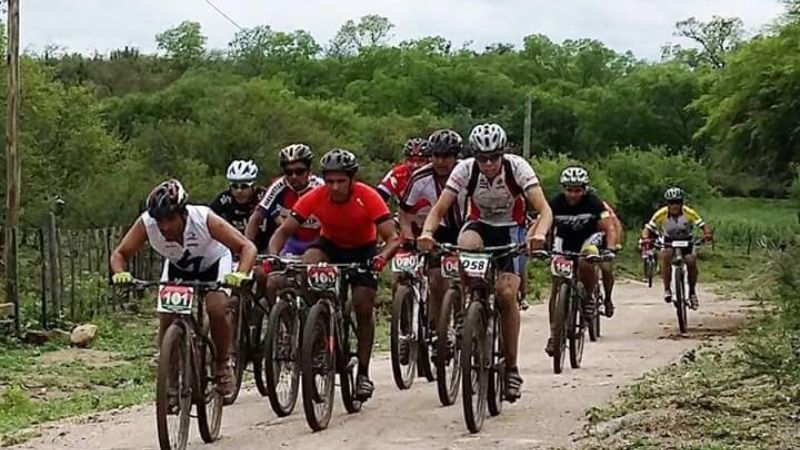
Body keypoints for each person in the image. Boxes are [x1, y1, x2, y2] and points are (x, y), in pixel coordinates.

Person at [418, 123, 553, 402]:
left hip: (511, 228)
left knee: (506, 294)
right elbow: (439, 209)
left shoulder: (518, 168)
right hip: (479, 224)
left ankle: (512, 368)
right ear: (475, 156)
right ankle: (468, 305)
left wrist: (539, 234)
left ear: (502, 154)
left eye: (494, 157)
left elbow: (544, 209)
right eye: (483, 158)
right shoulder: (465, 170)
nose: (489, 164)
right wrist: (427, 233)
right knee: (465, 245)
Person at [268, 149, 401, 401]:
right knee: (308, 263)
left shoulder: (368, 196)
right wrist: (274, 256)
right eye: (329, 181)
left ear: (352, 179)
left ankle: (363, 374)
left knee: (363, 305)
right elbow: (283, 232)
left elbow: (392, 238)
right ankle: (317, 327)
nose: (335, 187)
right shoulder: (316, 196)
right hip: (330, 246)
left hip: (363, 250)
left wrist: (381, 258)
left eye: (341, 181)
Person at [109, 180, 257, 395]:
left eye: (170, 219)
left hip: (214, 263)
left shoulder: (203, 218)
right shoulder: (147, 223)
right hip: (178, 266)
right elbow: (120, 254)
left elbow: (247, 247)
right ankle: (171, 380)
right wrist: (120, 272)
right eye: (160, 220)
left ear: (183, 214)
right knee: (166, 317)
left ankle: (223, 364)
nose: (165, 227)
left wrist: (240, 274)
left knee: (216, 308)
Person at [397, 129, 467, 360]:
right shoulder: (421, 177)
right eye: (436, 156)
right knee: (437, 279)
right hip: (441, 229)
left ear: (456, 156)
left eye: (446, 156)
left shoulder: (468, 172)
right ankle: (440, 330)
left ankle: (467, 314)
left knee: (469, 274)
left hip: (469, 226)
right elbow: (404, 211)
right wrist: (408, 235)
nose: (440, 161)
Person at [544, 167, 619, 356]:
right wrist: (537, 244)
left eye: (577, 190)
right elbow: (542, 224)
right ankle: (554, 334)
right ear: (563, 189)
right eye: (569, 190)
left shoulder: (594, 202)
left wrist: (610, 248)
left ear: (584, 189)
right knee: (556, 286)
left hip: (588, 240)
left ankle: (588, 298)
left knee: (587, 261)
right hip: (564, 242)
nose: (573, 194)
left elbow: (609, 227)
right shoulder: (555, 202)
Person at [245, 144, 324, 304]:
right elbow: (256, 219)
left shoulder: (319, 187)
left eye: (299, 171)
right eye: (288, 172)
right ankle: (281, 316)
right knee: (272, 282)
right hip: (292, 242)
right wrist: (246, 248)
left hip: (318, 242)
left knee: (312, 285)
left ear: (309, 170)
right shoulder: (279, 186)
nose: (294, 176)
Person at [641, 187, 713, 308]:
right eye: (671, 202)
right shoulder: (661, 213)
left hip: (686, 240)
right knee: (666, 256)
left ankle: (692, 292)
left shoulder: (689, 212)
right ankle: (667, 289)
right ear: (667, 203)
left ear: (682, 203)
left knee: (691, 260)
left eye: (678, 202)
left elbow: (703, 225)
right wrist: (645, 238)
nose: (674, 205)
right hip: (669, 240)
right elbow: (648, 228)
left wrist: (707, 234)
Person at [210, 160, 269, 250]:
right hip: (236, 249)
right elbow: (207, 218)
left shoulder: (265, 196)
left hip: (265, 247)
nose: (239, 191)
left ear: (254, 186)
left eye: (244, 186)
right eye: (234, 186)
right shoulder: (225, 199)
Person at [376, 138, 430, 203]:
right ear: (405, 160)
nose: (415, 165)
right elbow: (378, 198)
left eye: (421, 161)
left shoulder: (436, 174)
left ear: (429, 161)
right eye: (410, 160)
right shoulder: (397, 173)